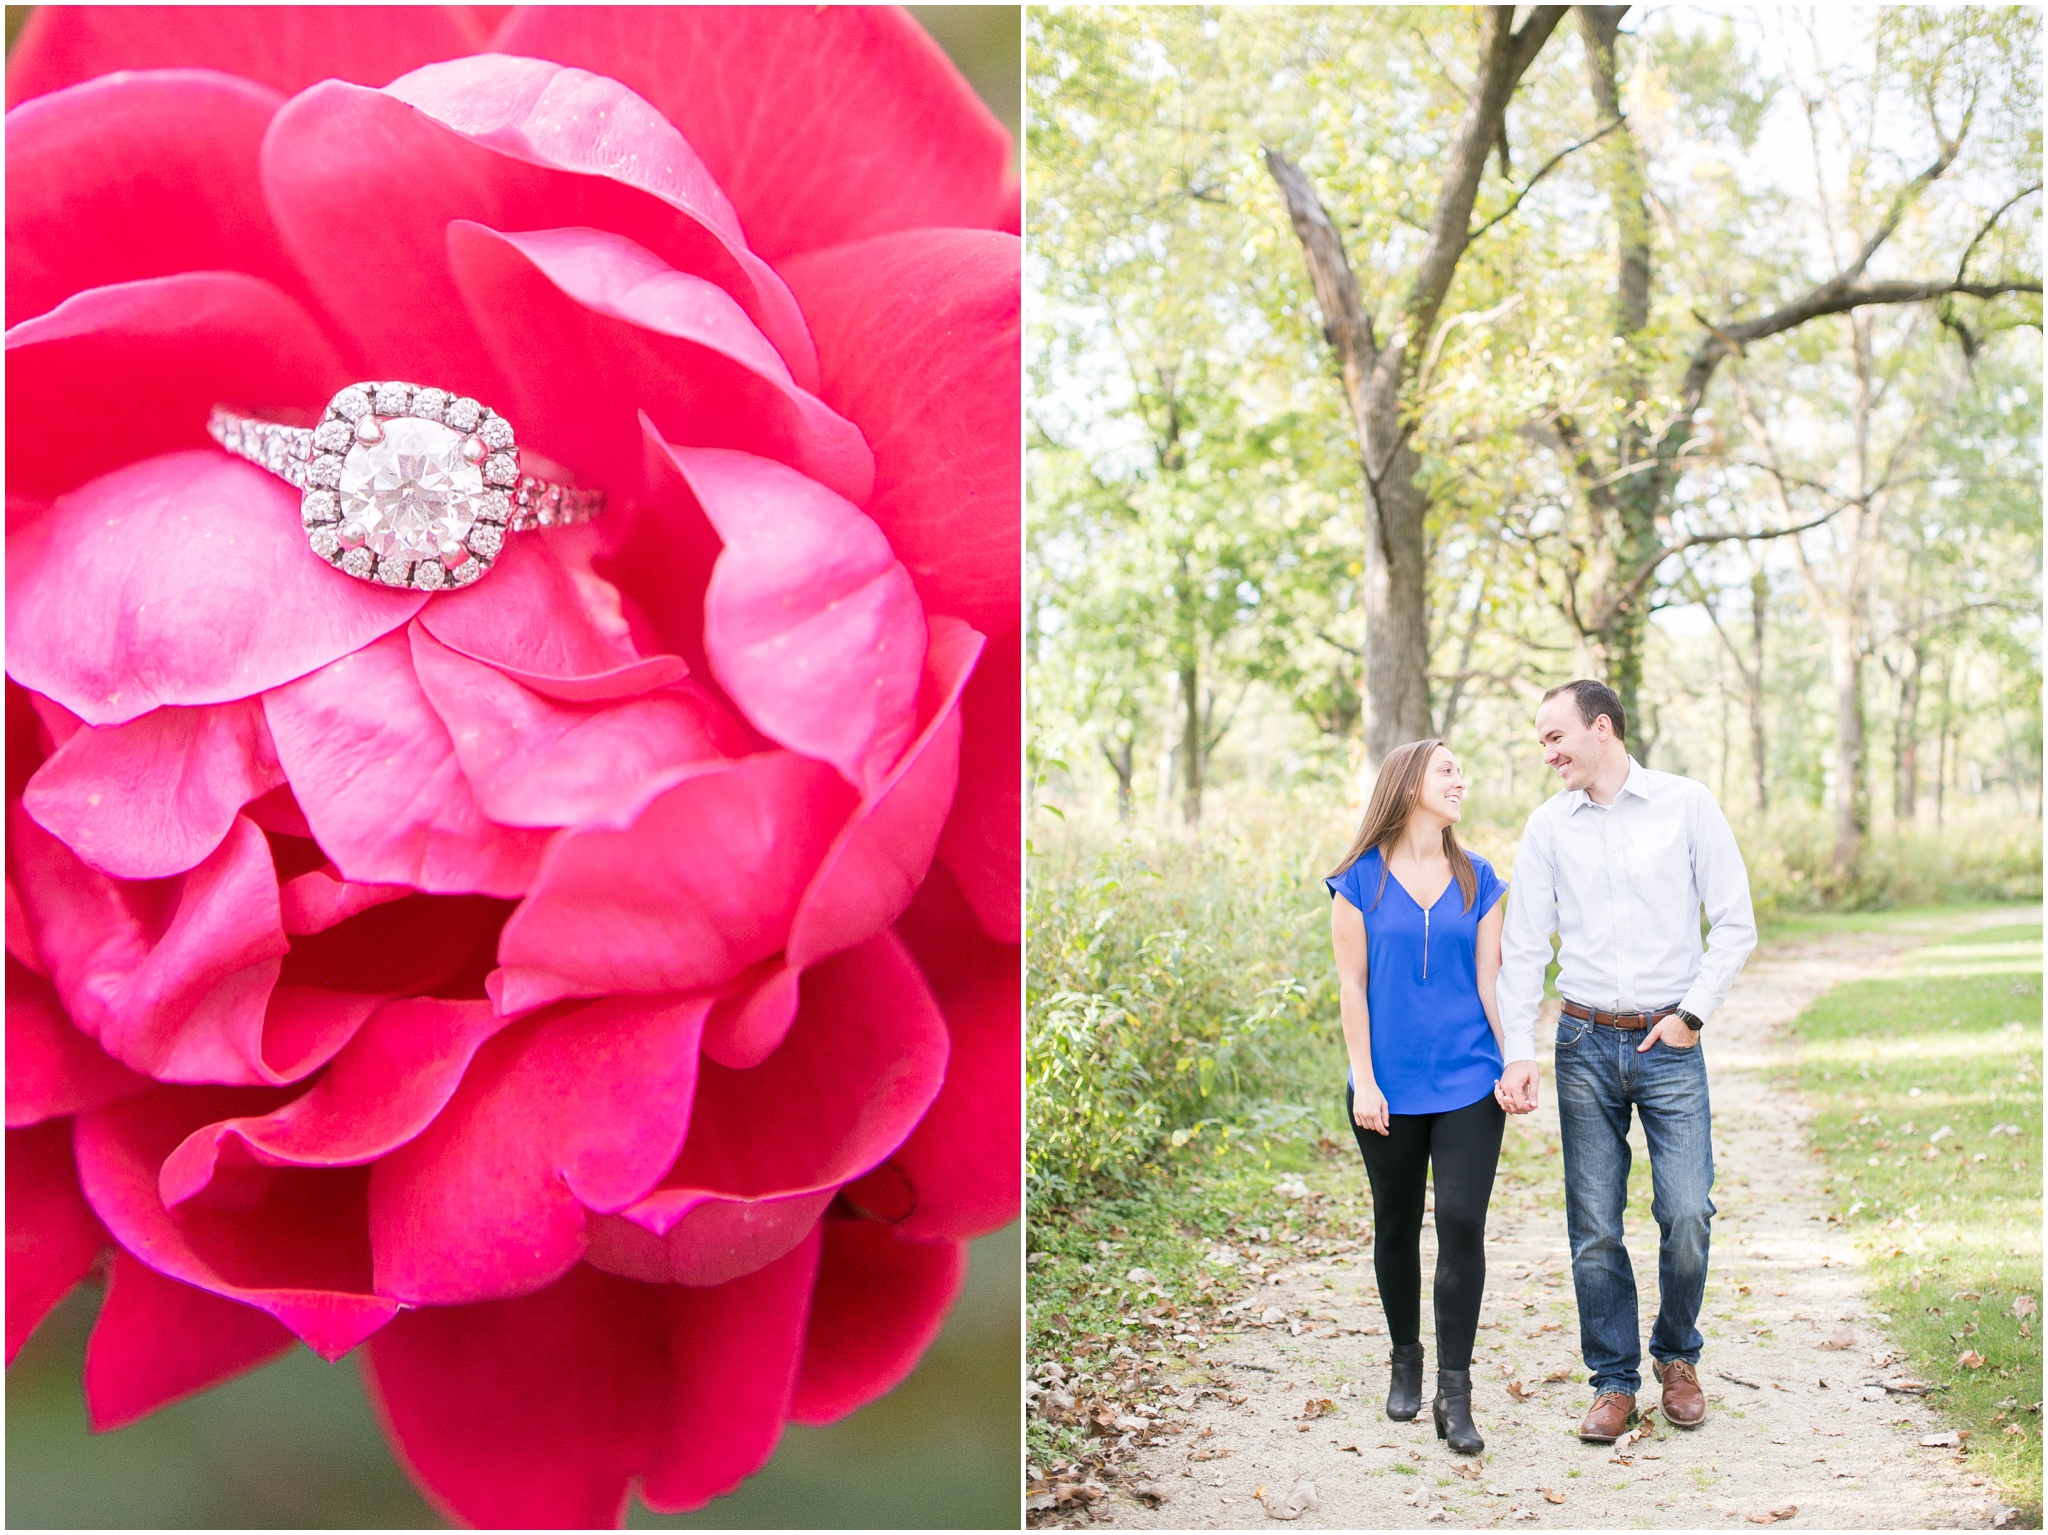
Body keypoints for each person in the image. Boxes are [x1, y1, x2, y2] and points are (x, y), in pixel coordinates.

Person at [1497, 680, 1757, 1444]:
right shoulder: (1547, 827)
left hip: (1668, 1040)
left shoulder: (1687, 804)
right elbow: (1522, 951)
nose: (1547, 754)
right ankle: (1614, 1380)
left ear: (1601, 727)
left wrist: (1691, 1016)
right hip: (1582, 1040)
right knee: (1594, 1227)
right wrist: (1519, 1051)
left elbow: (1735, 922)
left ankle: (1677, 1354)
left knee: (1686, 1213)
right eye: (1541, 741)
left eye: (1554, 737)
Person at [1327, 738, 1532, 1456]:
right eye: (1447, 768)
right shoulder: (1356, 880)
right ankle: (1405, 1358)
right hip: (1388, 1084)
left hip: (1469, 1081)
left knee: (1463, 1221)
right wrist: (1366, 1078)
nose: (1459, 779)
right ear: (1409, 781)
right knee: (1395, 1223)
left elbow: (1491, 982)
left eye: (1459, 770)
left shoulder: (1479, 879)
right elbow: (1352, 985)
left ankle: (1456, 1390)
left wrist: (1514, 1059)